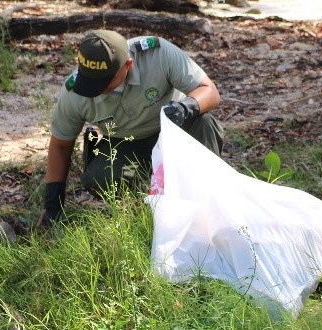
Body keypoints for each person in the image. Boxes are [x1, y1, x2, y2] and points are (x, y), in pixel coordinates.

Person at [38, 29, 224, 227]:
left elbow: (209, 91)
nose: (97, 91)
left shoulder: (157, 55)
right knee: (100, 178)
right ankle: (149, 200)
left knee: (204, 123)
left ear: (128, 65)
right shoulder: (74, 93)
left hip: (175, 129)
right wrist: (52, 207)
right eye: (90, 81)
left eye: (103, 82)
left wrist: (186, 107)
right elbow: (60, 145)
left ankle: (207, 195)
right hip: (128, 141)